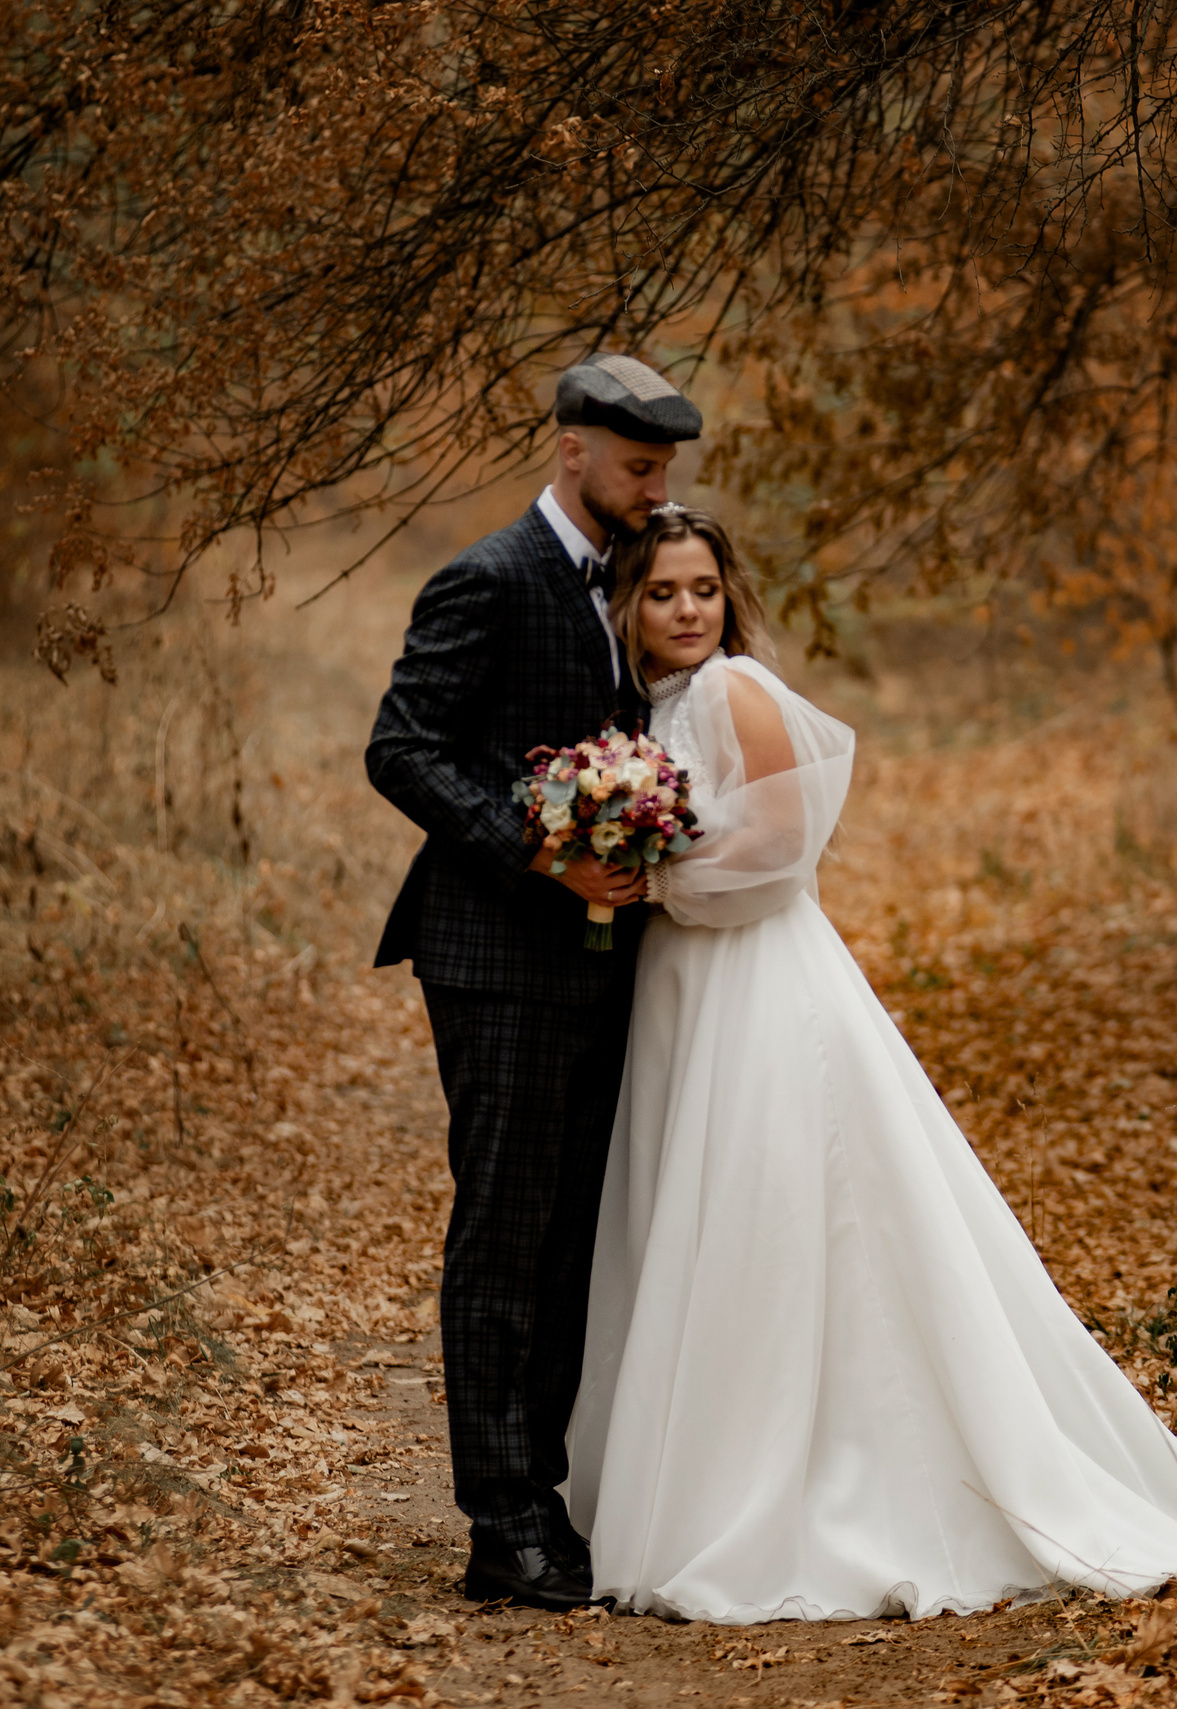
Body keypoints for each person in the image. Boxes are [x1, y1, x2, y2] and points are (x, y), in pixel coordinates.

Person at [566, 506, 1177, 1623]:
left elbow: (783, 851)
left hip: (759, 983)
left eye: (702, 588)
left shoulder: (737, 691)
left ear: (728, 595)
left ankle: (795, 1483)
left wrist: (660, 878)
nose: (687, 610)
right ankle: (712, 1463)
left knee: (780, 1204)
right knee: (706, 1208)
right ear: (628, 606)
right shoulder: (652, 710)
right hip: (686, 986)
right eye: (662, 593)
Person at [365, 355, 703, 1610]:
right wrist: (544, 851)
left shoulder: (624, 583)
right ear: (569, 451)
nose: (652, 489)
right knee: (505, 1233)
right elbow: (399, 748)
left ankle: (544, 1497)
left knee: (570, 1242)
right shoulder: (489, 578)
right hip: (495, 955)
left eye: (663, 470)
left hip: (605, 966)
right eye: (634, 468)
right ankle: (495, 1519)